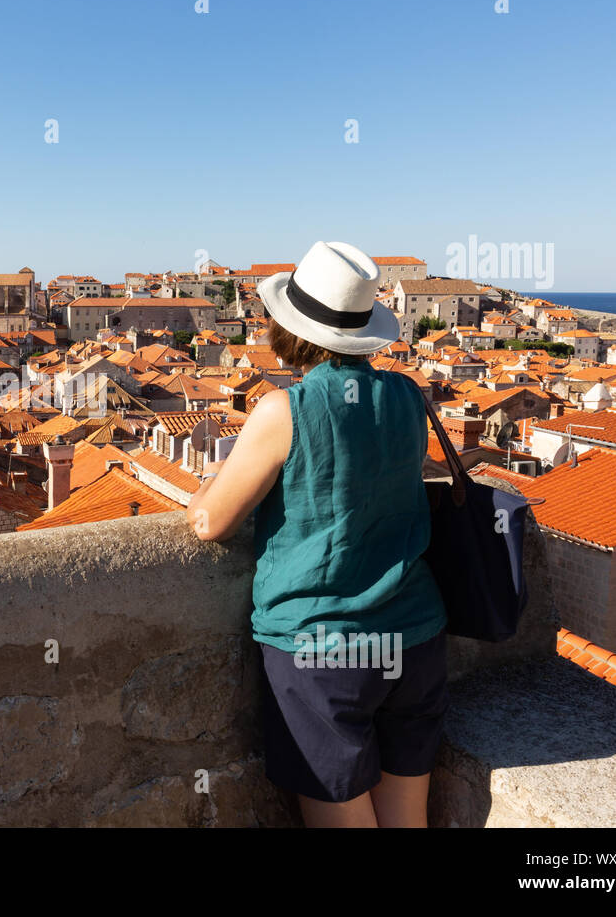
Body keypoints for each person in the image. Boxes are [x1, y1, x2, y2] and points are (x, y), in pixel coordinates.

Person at [186, 241, 448, 828]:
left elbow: (209, 523)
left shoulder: (285, 410)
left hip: (324, 649)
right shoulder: (410, 396)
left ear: (290, 328)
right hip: (415, 637)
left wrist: (209, 481)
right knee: (408, 822)